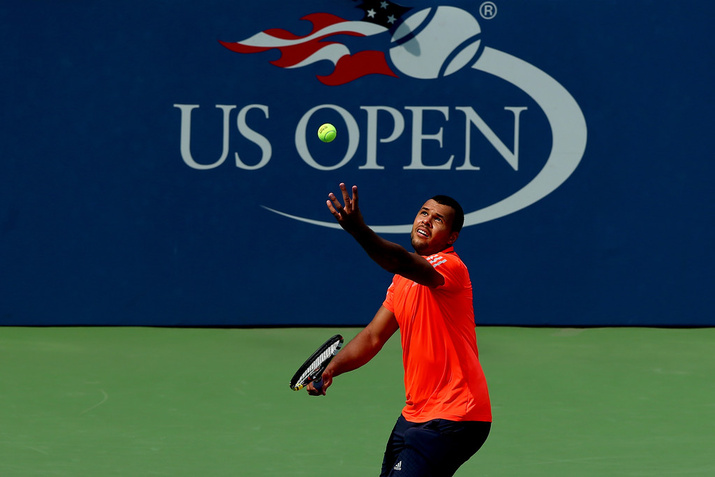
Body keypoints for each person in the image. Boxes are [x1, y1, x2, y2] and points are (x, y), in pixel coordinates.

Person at [307, 183, 492, 476]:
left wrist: (358, 230)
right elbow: (373, 336)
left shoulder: (451, 267)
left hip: (455, 415)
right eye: (423, 213)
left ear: (452, 237)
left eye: (438, 220)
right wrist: (331, 368)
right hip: (415, 415)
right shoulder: (402, 281)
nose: (426, 221)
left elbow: (399, 259)